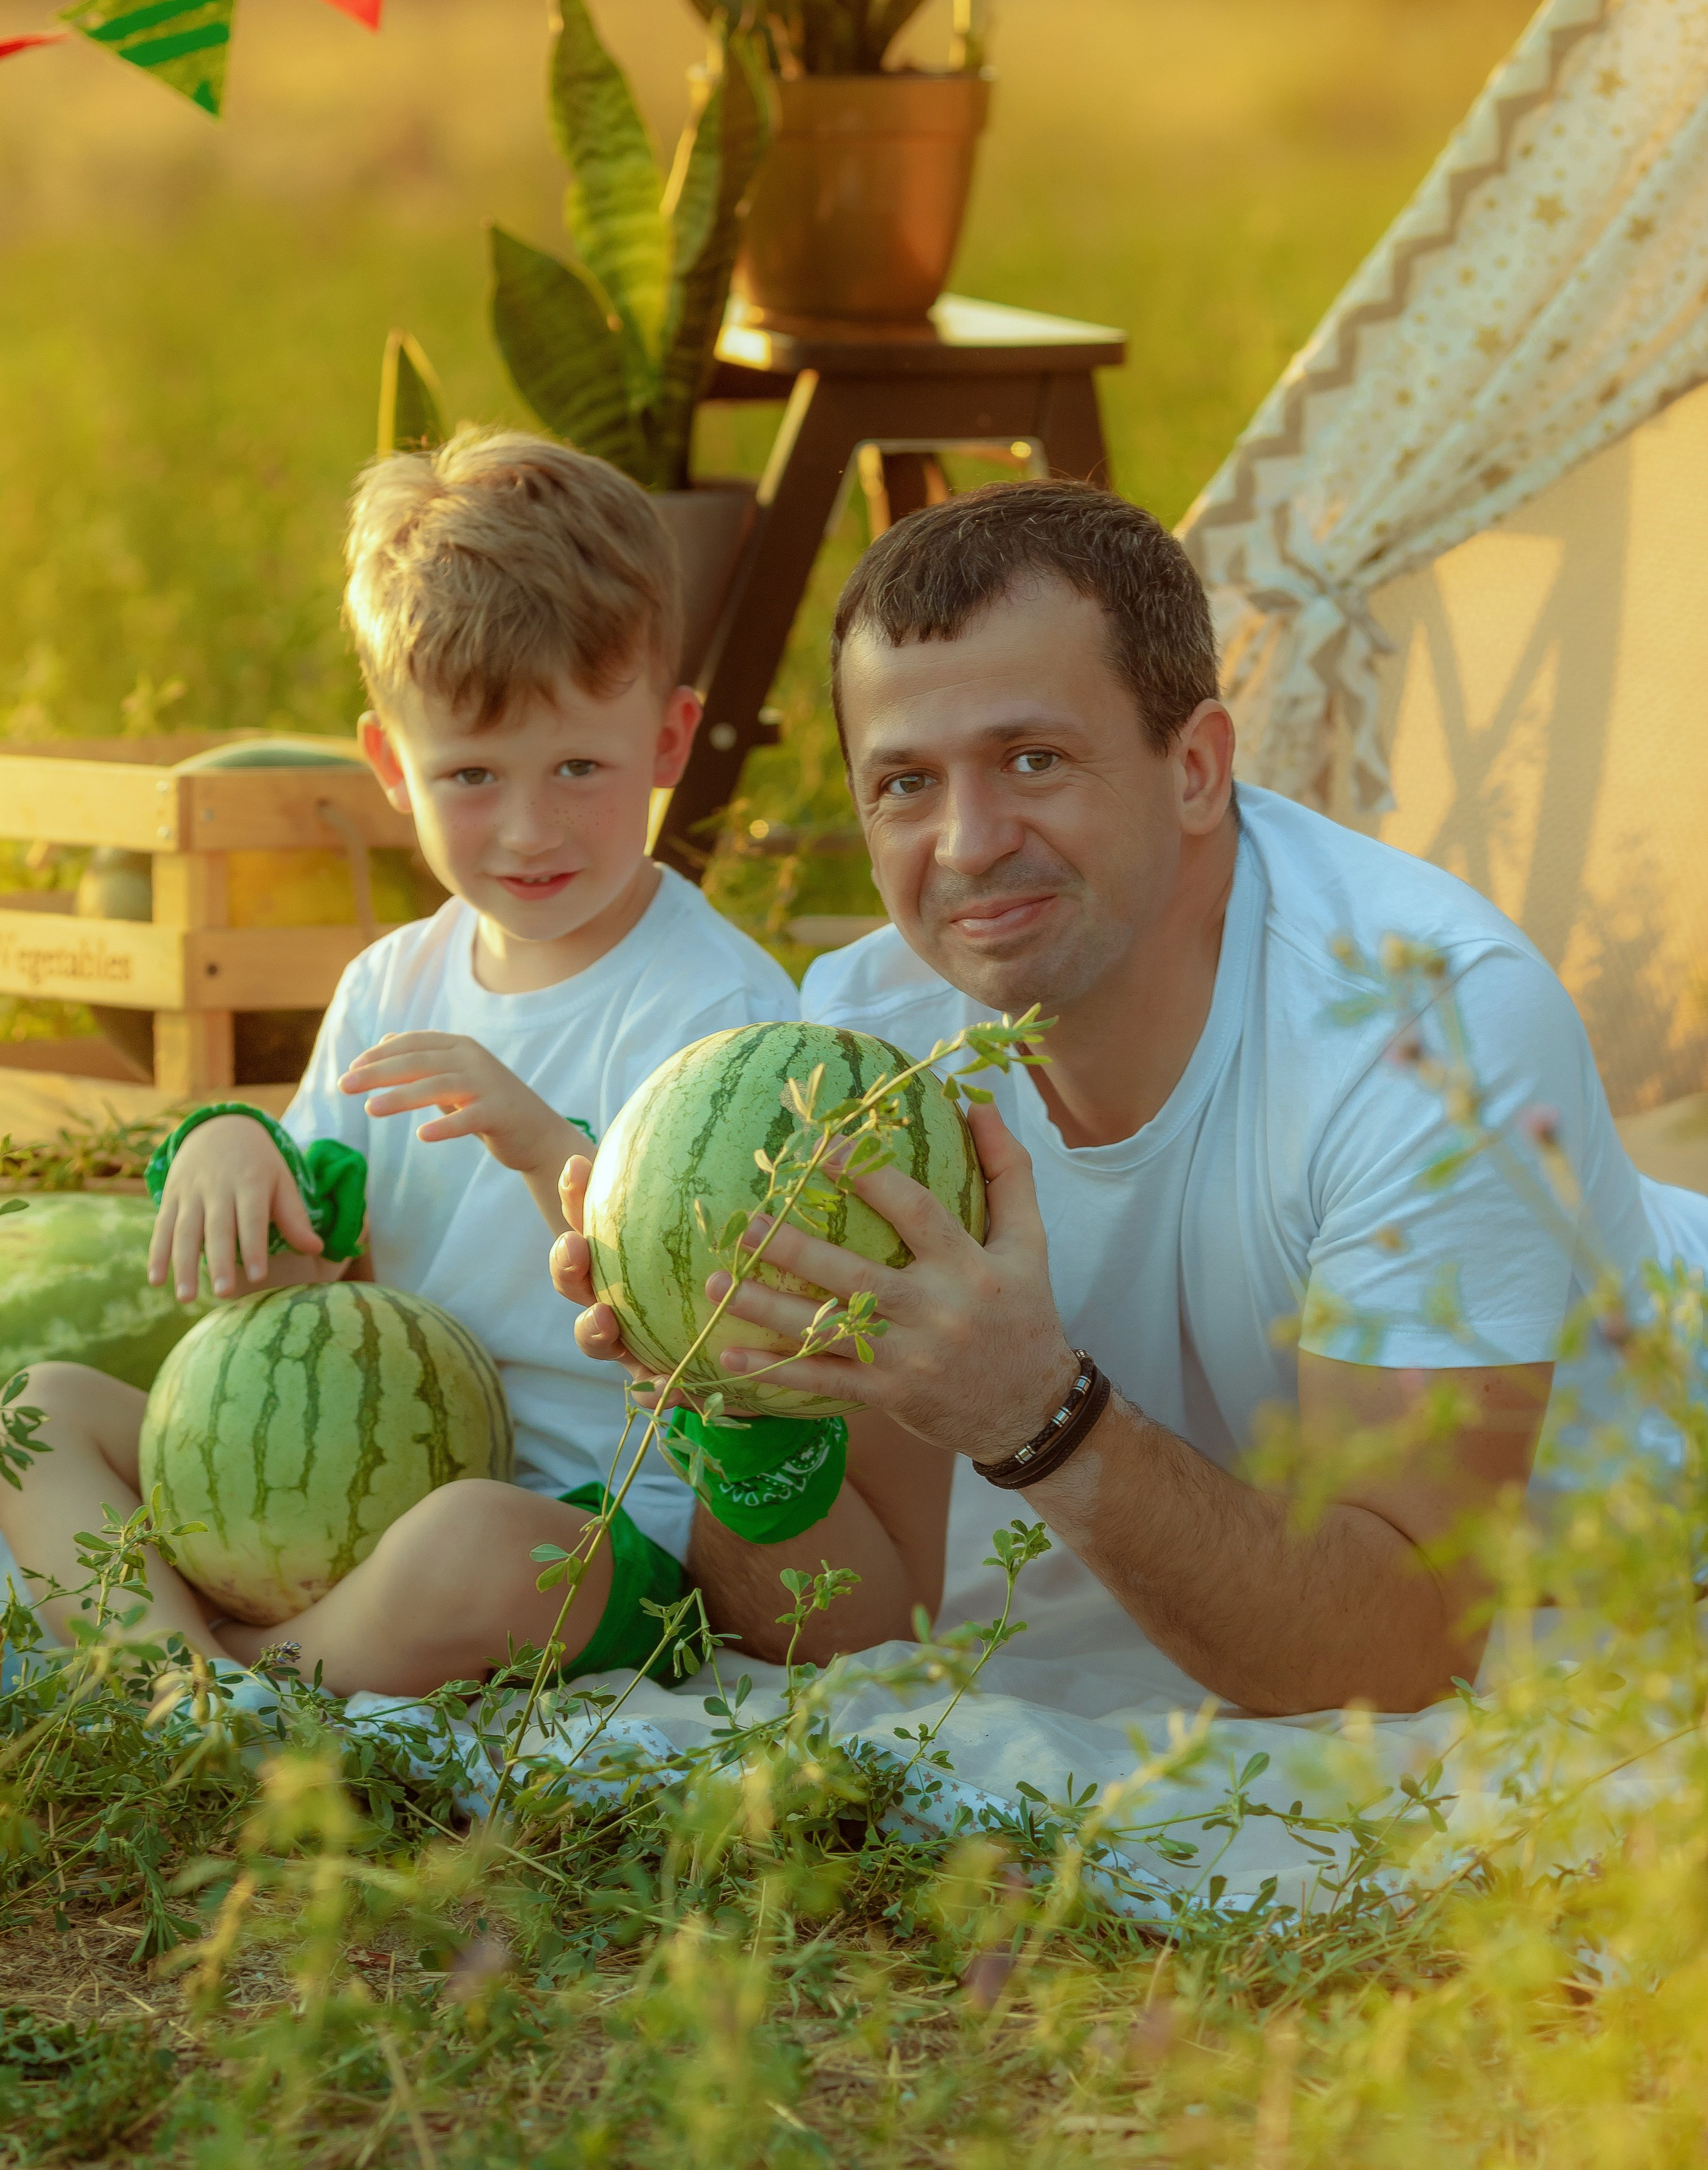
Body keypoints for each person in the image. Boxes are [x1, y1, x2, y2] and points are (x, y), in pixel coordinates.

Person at [550, 478, 1693, 1721]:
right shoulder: (870, 1050)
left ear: (1197, 767)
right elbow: (858, 1626)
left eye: (1032, 759)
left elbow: (1402, 1646)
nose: (969, 843)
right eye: (905, 785)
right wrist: (742, 1415)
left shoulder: (1425, 1032)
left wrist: (1037, 1412)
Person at [1, 428, 796, 1696]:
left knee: (473, 1544)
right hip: (358, 1494)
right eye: (471, 775)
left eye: (578, 767)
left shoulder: (721, 1008)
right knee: (30, 1409)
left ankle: (219, 1683)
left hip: (597, 1532)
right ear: (387, 765)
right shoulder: (390, 986)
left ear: (668, 740)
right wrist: (228, 1149)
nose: (530, 828)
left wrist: (552, 1152)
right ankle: (186, 1683)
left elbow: (705, 1330)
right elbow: (314, 1264)